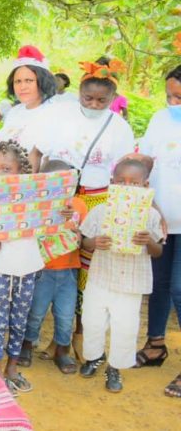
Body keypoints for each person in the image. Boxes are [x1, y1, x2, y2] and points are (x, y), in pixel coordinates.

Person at [38, 57, 135, 361]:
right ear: (78, 92)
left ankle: (79, 334)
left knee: (86, 275)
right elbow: (43, 156)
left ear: (112, 98)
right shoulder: (61, 117)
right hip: (62, 201)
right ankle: (59, 336)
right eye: (87, 98)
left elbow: (122, 173)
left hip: (98, 201)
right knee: (59, 266)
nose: (93, 104)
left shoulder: (119, 127)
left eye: (101, 100)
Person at [78, 158, 163, 393]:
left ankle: (115, 367)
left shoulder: (151, 217)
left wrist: (149, 242)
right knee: (92, 321)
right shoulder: (100, 211)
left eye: (134, 183)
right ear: (111, 184)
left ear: (145, 186)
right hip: (101, 278)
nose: (127, 187)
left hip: (131, 284)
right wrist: (94, 242)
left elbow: (158, 251)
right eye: (121, 182)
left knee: (125, 328)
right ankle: (95, 356)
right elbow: (84, 242)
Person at [0, 141, 42, 395]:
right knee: (0, 321)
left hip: (28, 268)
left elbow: (50, 224)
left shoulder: (33, 197)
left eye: (6, 168)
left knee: (19, 320)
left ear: (21, 171)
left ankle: (12, 368)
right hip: (2, 269)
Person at [136, 64, 181, 397]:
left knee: (180, 288)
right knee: (159, 284)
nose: (172, 102)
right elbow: (148, 161)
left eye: (179, 97)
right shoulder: (160, 119)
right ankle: (155, 345)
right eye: (169, 95)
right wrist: (148, 205)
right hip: (162, 219)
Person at [21, 160, 88, 375]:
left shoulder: (78, 205)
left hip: (69, 271)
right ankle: (27, 345)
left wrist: (73, 223)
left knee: (66, 315)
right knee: (36, 313)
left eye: (66, 182)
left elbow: (83, 238)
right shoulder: (37, 204)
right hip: (42, 271)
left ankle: (62, 350)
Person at [0, 45, 58, 172]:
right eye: (17, 81)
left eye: (29, 81)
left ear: (42, 81)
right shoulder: (14, 112)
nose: (22, 87)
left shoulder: (54, 112)